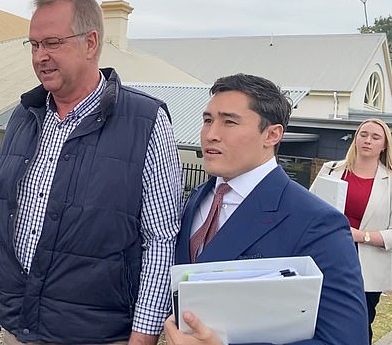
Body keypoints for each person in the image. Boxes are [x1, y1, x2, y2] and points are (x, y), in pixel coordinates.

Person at [0, 0, 182, 345]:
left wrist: (142, 341)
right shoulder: (23, 117)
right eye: (34, 45)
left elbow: (160, 241)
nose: (40, 56)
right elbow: (1, 234)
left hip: (100, 337)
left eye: (52, 43)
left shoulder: (146, 121)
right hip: (16, 331)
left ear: (91, 43)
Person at [166, 73, 368, 345]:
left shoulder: (316, 223)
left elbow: (346, 340)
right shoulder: (197, 199)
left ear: (272, 134)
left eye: (229, 122)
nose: (211, 134)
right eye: (207, 120)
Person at [310, 118, 392, 343]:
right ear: (355, 138)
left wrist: (361, 236)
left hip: (366, 267)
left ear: (384, 145)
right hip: (326, 256)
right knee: (319, 319)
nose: (367, 140)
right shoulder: (331, 169)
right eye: (363, 134)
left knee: (359, 325)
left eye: (376, 137)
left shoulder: (390, 181)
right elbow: (309, 208)